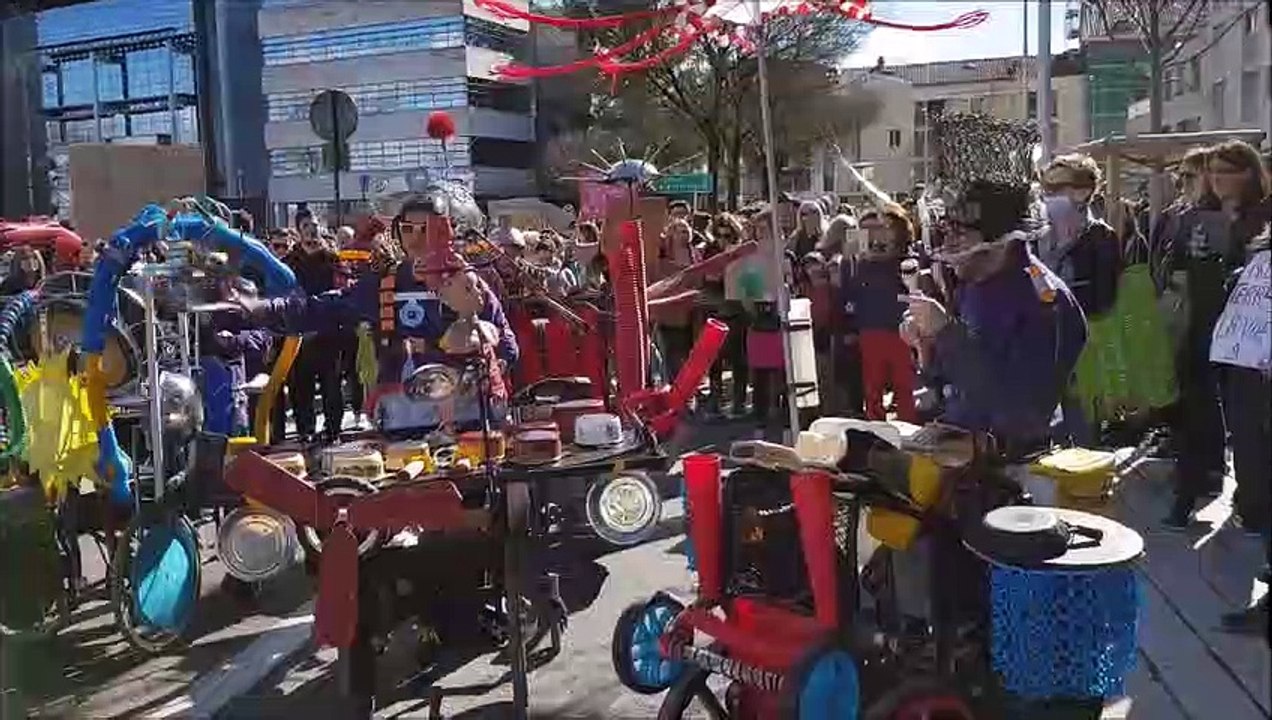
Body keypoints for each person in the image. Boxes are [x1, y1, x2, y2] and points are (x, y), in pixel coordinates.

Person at [235, 190, 517, 433]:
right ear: (397, 232)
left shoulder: (470, 283)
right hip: (403, 421)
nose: (417, 239)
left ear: (446, 231)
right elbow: (320, 308)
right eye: (408, 229)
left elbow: (506, 344)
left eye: (426, 230)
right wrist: (261, 309)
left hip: (471, 420)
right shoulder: (385, 284)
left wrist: (487, 365)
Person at [903, 179, 1087, 457]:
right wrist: (925, 347)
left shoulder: (1042, 300)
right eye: (946, 230)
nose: (949, 244)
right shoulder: (977, 284)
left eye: (960, 233)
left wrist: (946, 333)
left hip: (1015, 468)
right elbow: (956, 381)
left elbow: (1019, 408)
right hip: (966, 458)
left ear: (1001, 239)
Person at [1162, 140, 1270, 528]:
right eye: (1215, 171)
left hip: (1249, 338)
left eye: (1230, 171)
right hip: (1202, 330)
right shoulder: (1196, 217)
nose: (1220, 179)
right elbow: (1176, 269)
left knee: (1250, 424)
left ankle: (1252, 503)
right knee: (1195, 414)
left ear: (1250, 173)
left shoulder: (1264, 215)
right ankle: (1186, 495)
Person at [844, 204, 918, 423]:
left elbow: (911, 280)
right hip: (871, 328)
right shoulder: (862, 260)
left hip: (900, 329)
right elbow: (852, 288)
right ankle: (876, 429)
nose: (879, 232)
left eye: (885, 227)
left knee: (904, 385)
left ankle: (909, 428)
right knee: (872, 387)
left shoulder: (908, 257)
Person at [283, 215, 345, 442]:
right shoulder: (290, 262)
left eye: (315, 227)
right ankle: (305, 430)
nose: (311, 231)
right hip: (300, 332)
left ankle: (333, 430)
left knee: (331, 383)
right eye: (306, 227)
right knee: (301, 385)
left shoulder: (332, 259)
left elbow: (344, 288)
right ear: (299, 231)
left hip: (328, 332)